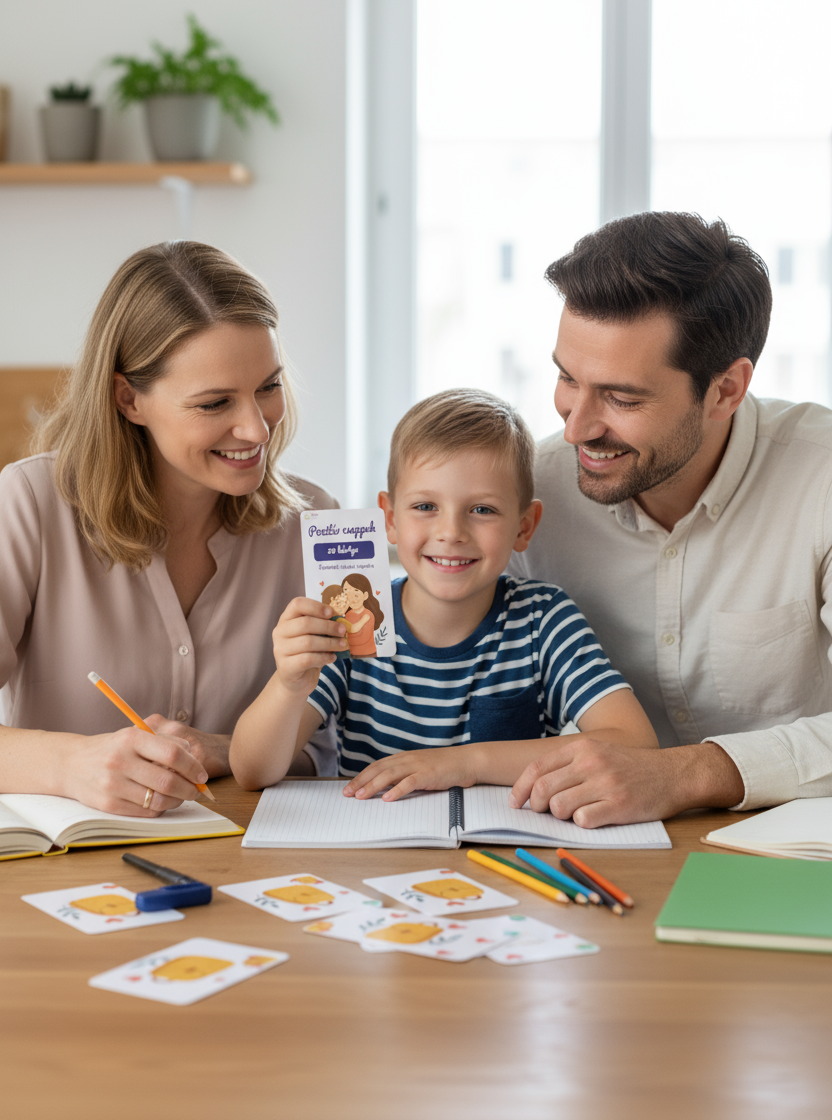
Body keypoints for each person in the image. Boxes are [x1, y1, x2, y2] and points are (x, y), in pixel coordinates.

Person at [510, 209, 832, 826]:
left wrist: (686, 774)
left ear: (725, 390)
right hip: (579, 838)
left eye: (622, 398)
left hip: (787, 844)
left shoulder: (820, 479)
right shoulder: (528, 491)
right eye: (567, 378)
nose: (576, 428)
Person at [0, 240, 334, 816]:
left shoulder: (317, 523)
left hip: (248, 856)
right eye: (214, 403)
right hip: (69, 859)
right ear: (128, 398)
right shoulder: (30, 503)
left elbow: (337, 744)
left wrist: (229, 749)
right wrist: (71, 763)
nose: (257, 429)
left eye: (268, 387)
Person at [230, 389, 657, 805]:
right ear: (390, 519)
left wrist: (465, 762)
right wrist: (288, 684)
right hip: (376, 842)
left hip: (505, 845)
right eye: (425, 507)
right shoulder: (350, 624)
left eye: (482, 510)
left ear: (524, 526)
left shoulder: (544, 620)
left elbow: (634, 744)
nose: (451, 532)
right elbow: (252, 772)